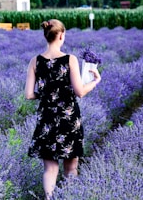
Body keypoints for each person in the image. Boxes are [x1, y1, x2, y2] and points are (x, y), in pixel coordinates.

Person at [24, 19, 101, 199]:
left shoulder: (35, 61)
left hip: (46, 119)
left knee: (50, 169)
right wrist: (96, 81)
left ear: (47, 36)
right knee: (71, 168)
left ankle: (49, 198)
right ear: (60, 35)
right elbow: (80, 92)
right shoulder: (70, 59)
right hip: (68, 119)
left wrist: (46, 95)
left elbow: (28, 94)